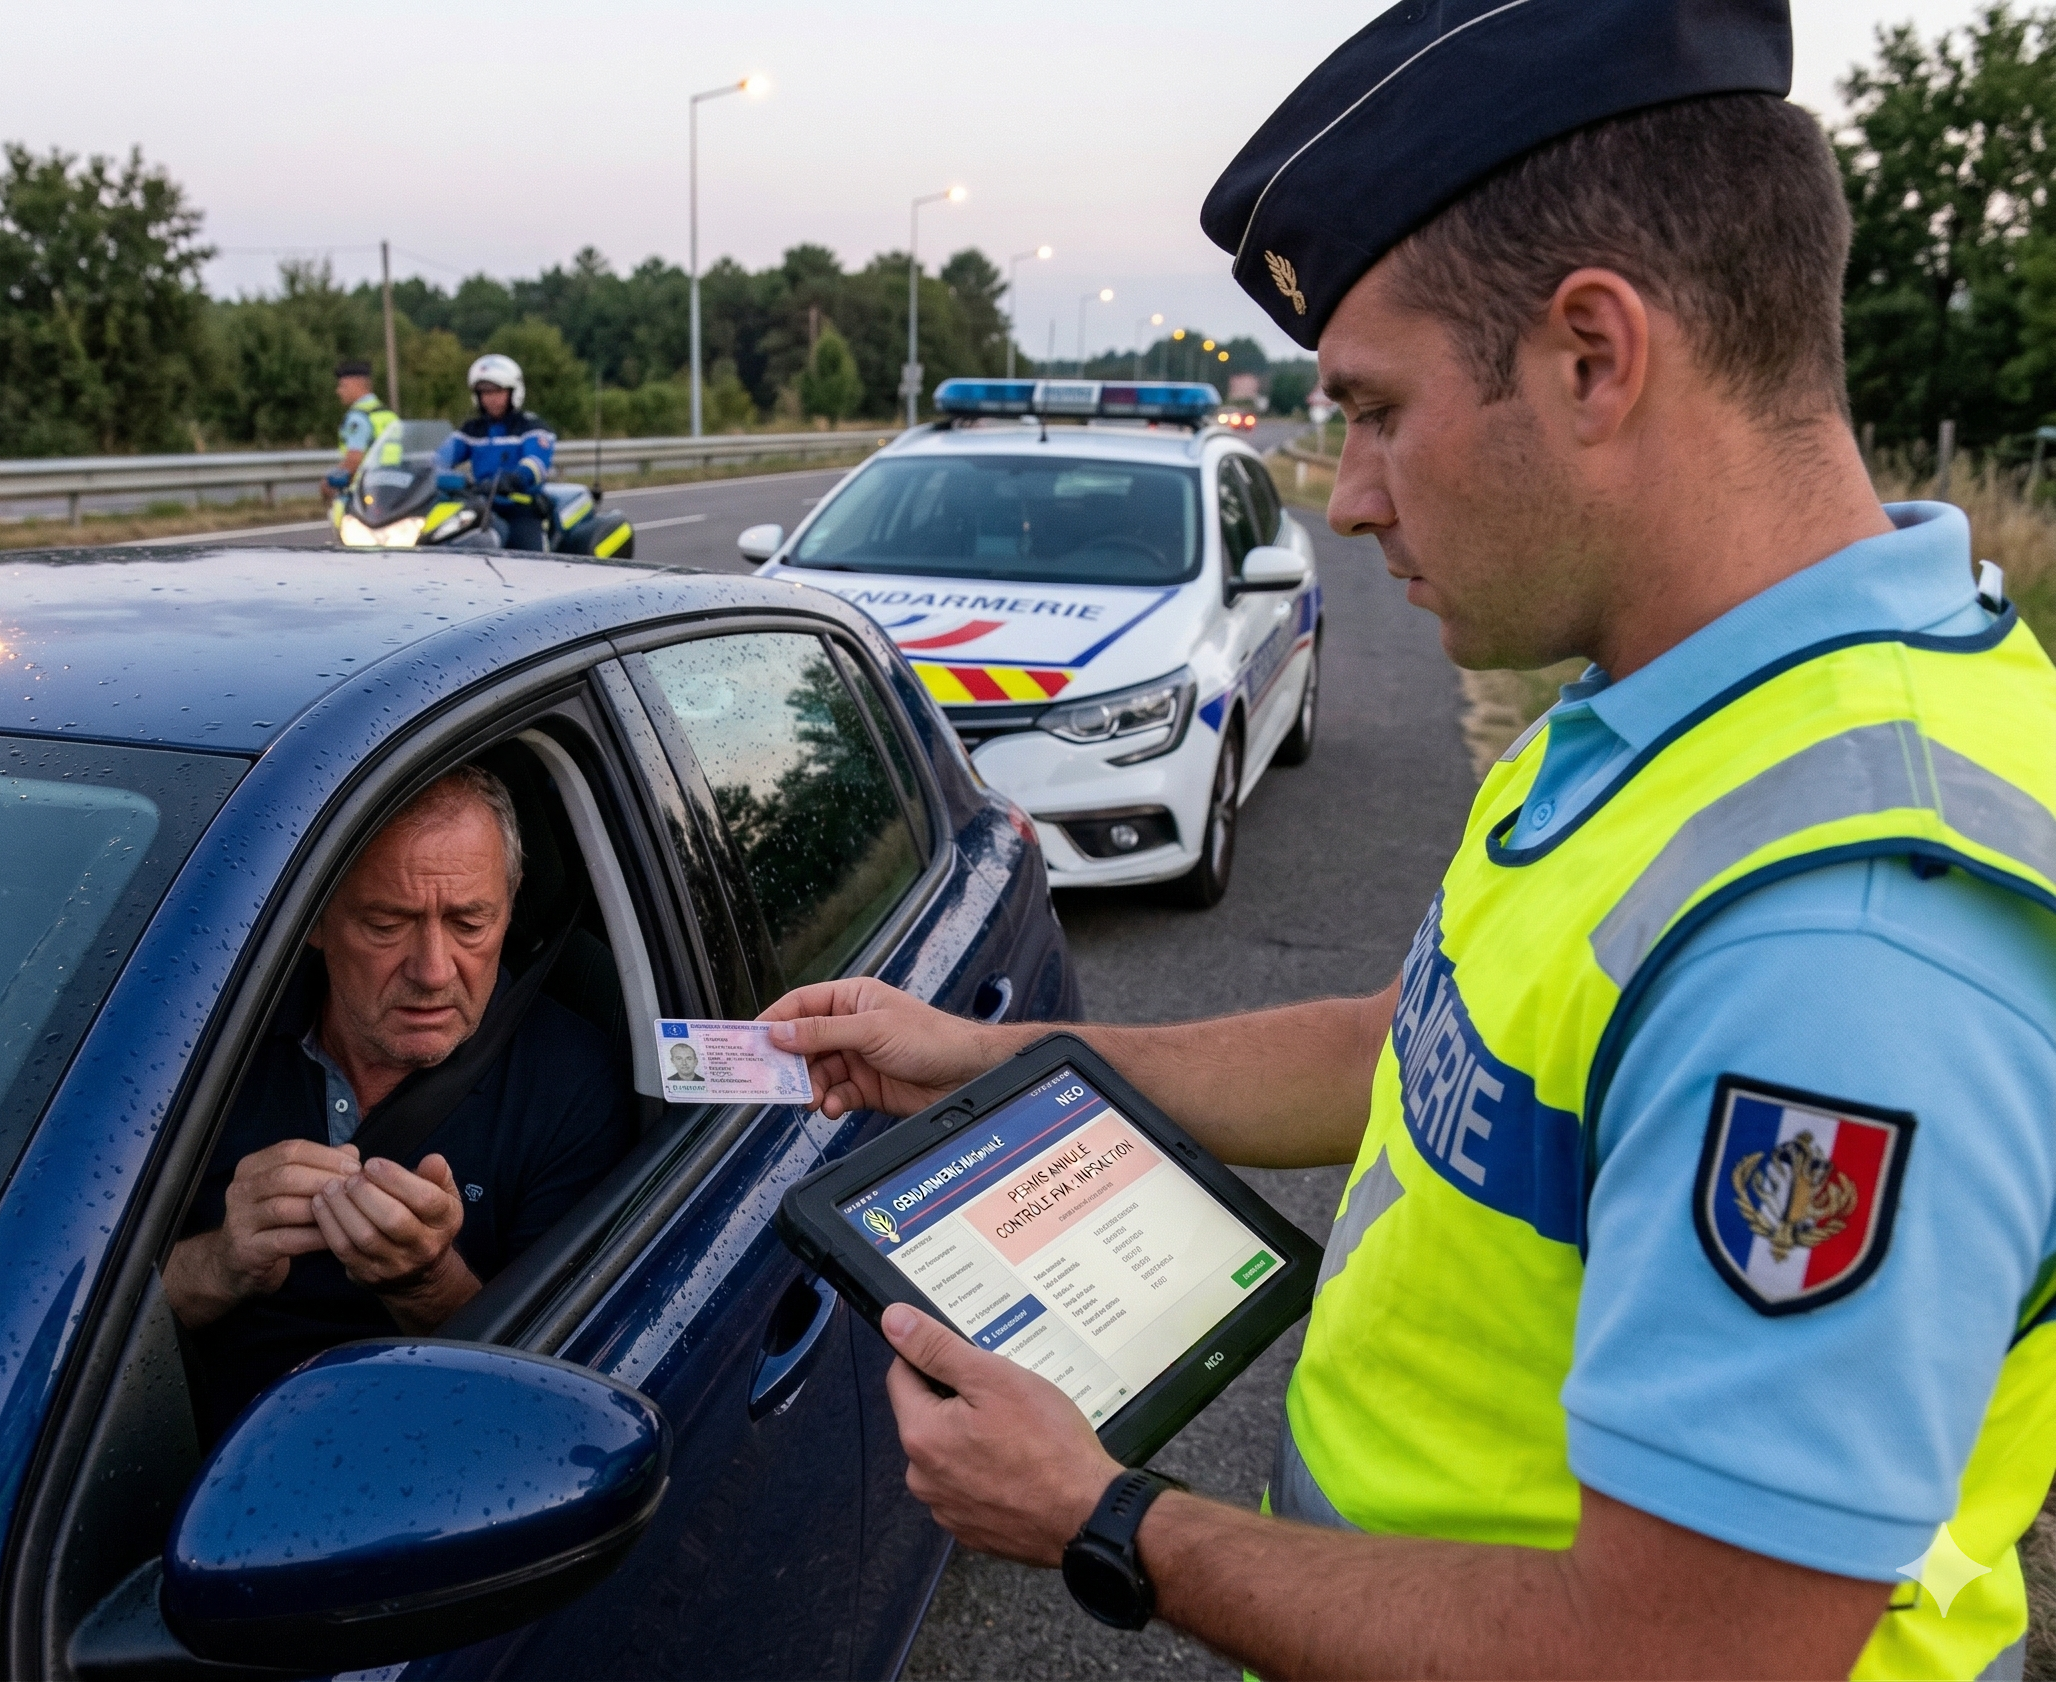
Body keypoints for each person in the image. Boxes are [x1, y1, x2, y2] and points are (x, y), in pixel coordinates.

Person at [760, 3, 2056, 1676]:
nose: (1353, 493)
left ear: (1591, 357)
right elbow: (1416, 1052)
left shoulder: (1841, 943)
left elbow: (1674, 1657)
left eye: (1374, 409)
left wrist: (1102, 1515)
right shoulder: (1681, 700)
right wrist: (992, 1061)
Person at [165, 765, 631, 1438]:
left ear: (510, 905)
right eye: (387, 924)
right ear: (314, 919)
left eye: (470, 923)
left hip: (432, 1454)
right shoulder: (205, 1044)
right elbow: (78, 1324)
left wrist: (428, 1282)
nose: (433, 971)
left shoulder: (574, 1083)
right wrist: (223, 1261)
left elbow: (553, 1407)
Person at [434, 353, 557, 551]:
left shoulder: (531, 427)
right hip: (481, 505)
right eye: (484, 393)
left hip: (520, 507)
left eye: (497, 392)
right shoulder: (472, 430)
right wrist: (419, 469)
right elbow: (440, 458)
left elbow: (536, 463)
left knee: (529, 557)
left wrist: (514, 479)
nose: (491, 398)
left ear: (513, 392)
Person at [322, 360, 400, 506]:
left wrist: (327, 483)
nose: (338, 391)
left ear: (356, 384)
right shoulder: (388, 414)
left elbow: (354, 459)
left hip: (365, 492)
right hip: (394, 489)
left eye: (343, 386)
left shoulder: (357, 418)